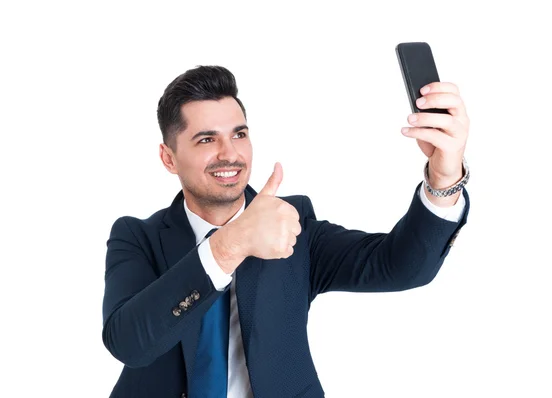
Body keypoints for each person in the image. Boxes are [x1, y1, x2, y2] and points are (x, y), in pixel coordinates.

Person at [101, 65, 471, 397]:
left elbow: (401, 266)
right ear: (169, 158)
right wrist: (230, 244)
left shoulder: (292, 224)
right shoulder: (137, 239)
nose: (229, 153)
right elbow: (129, 343)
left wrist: (443, 178)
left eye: (239, 134)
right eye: (206, 139)